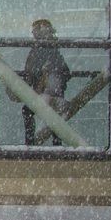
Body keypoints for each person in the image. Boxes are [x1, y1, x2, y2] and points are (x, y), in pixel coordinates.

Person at [20, 17, 70, 146]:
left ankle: (30, 143)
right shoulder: (54, 50)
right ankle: (56, 144)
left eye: (35, 32)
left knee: (28, 111)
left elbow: (30, 74)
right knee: (53, 117)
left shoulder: (38, 51)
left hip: (45, 94)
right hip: (54, 94)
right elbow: (66, 73)